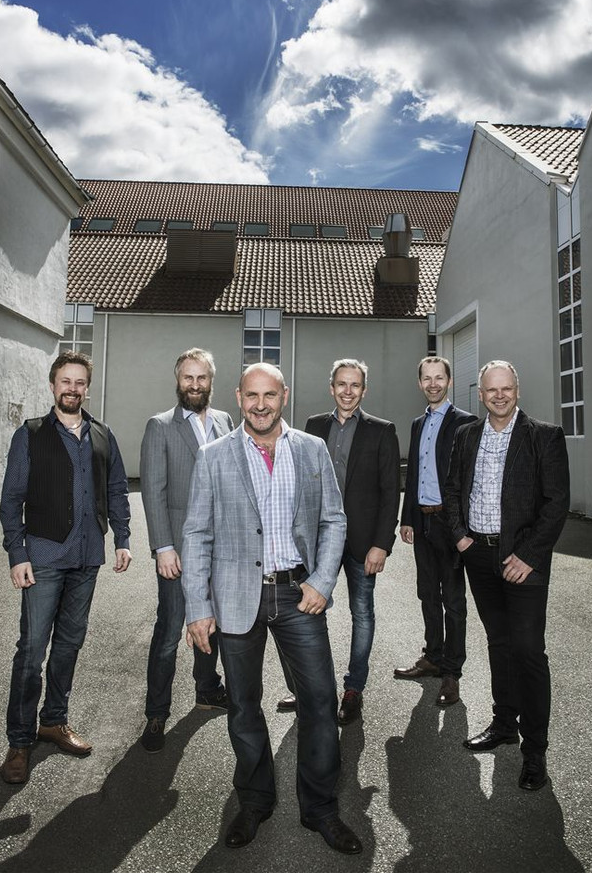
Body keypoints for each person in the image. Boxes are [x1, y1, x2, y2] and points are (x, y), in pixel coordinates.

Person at [182, 363, 362, 855]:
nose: (260, 405)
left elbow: (334, 519)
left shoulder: (312, 449)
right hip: (236, 596)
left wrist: (322, 581)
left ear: (284, 396)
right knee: (243, 704)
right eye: (251, 395)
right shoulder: (213, 455)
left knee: (320, 700)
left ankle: (320, 808)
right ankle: (254, 801)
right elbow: (196, 534)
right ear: (239, 397)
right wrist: (198, 607)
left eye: (270, 395)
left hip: (298, 594)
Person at [0, 351, 131, 784]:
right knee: (31, 651)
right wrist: (17, 554)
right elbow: (11, 500)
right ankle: (19, 741)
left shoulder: (103, 435)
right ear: (53, 385)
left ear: (87, 388)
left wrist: (123, 539)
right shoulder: (31, 434)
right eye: (65, 382)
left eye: (79, 382)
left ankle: (53, 721)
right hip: (43, 558)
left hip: (87, 558)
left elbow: (116, 491)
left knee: (69, 645)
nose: (72, 389)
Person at [444, 360, 570, 791]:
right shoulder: (467, 435)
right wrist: (461, 537)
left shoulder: (544, 436)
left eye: (506, 388)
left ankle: (535, 751)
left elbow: (556, 502)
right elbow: (453, 490)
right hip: (478, 555)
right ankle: (504, 724)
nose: (499, 396)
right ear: (480, 395)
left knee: (529, 651)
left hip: (523, 561)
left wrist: (529, 555)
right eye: (491, 390)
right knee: (498, 642)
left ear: (517, 390)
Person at [278, 358, 400, 725]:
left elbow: (390, 491)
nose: (348, 391)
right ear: (332, 388)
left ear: (364, 390)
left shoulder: (382, 431)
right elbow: (298, 482)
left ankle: (353, 689)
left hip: (363, 543)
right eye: (342, 384)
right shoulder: (314, 427)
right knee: (309, 613)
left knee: (362, 613)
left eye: (355, 385)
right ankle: (311, 688)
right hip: (317, 544)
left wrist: (382, 544)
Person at [139, 348, 234, 752]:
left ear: (211, 381)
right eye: (188, 378)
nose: (195, 385)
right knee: (169, 631)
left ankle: (207, 688)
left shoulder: (226, 422)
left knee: (212, 624)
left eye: (202, 378)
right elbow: (153, 491)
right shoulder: (160, 426)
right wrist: (163, 547)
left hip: (219, 549)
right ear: (178, 381)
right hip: (177, 550)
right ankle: (156, 712)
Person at [394, 357, 477, 706]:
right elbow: (413, 473)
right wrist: (407, 518)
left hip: (450, 523)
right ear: (419, 383)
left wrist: (463, 528)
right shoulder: (418, 424)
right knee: (427, 593)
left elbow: (469, 479)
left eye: (438, 378)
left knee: (453, 600)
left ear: (449, 381)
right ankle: (432, 656)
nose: (432, 384)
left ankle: (451, 672)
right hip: (423, 521)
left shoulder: (465, 423)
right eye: (426, 379)